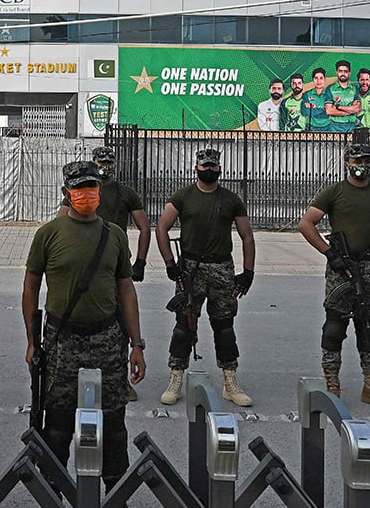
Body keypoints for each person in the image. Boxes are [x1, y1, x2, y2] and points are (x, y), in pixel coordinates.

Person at [23, 160, 145, 492]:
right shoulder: (48, 234)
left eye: (91, 187)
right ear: (66, 192)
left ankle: (114, 491)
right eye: (79, 189)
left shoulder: (115, 235)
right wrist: (32, 342)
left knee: (113, 424)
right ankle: (54, 490)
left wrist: (137, 344)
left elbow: (126, 290)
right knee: (58, 423)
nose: (86, 194)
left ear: (100, 190)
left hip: (107, 337)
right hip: (62, 339)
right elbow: (31, 287)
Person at [297, 144, 370, 411]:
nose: (361, 164)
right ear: (347, 163)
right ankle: (332, 384)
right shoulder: (335, 192)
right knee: (335, 326)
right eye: (356, 159)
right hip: (343, 269)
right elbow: (306, 224)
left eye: (366, 160)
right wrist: (330, 254)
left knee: (369, 327)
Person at [155, 148, 256, 407]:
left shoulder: (231, 199)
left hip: (222, 268)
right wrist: (170, 264)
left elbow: (246, 235)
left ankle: (230, 382)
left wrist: (248, 272)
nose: (208, 170)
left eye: (213, 166)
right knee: (184, 326)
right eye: (204, 166)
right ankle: (176, 378)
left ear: (219, 169)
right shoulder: (183, 196)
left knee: (224, 327)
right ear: (196, 168)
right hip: (191, 269)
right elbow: (162, 227)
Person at [58, 146, 150, 401]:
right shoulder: (83, 189)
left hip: (113, 260)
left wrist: (141, 261)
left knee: (119, 322)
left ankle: (120, 380)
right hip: (84, 262)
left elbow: (144, 227)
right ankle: (72, 376)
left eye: (109, 161)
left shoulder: (125, 193)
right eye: (101, 161)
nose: (105, 165)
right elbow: (62, 219)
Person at [324, 60, 359, 133]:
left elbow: (356, 109)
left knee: (351, 144)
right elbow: (329, 110)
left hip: (351, 126)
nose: (343, 74)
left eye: (345, 71)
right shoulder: (330, 89)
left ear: (349, 73)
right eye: (340, 71)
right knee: (334, 145)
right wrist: (348, 111)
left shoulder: (355, 89)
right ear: (337, 72)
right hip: (334, 126)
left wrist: (337, 107)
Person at [302, 68, 331, 132]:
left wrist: (313, 108)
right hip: (310, 127)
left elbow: (329, 113)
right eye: (316, 78)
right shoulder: (306, 94)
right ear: (313, 80)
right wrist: (323, 109)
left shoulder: (330, 94)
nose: (318, 81)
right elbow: (304, 112)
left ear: (325, 80)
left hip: (327, 128)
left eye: (321, 78)